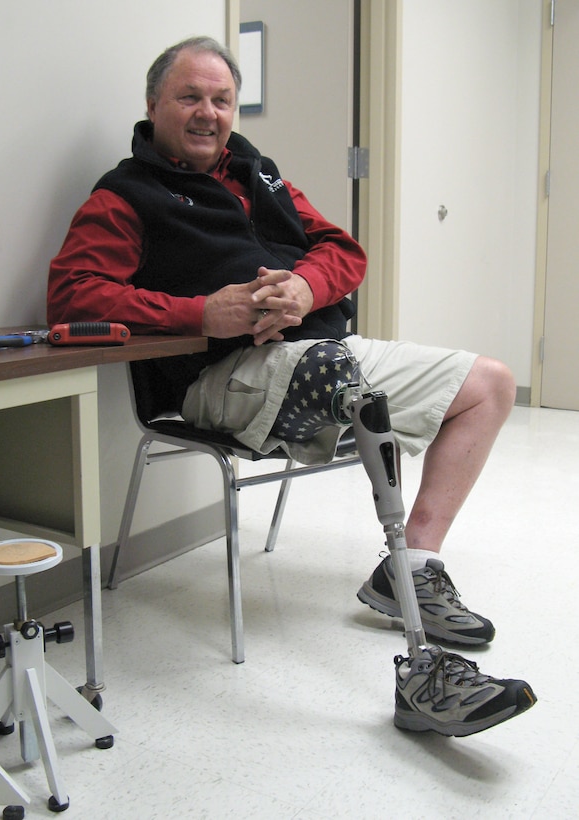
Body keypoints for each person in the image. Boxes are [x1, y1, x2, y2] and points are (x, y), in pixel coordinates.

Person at [47, 36, 536, 736]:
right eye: (189, 97)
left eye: (220, 99)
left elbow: (343, 250)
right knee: (336, 377)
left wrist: (307, 287)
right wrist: (198, 312)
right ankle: (421, 676)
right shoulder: (125, 195)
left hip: (314, 346)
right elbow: (71, 295)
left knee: (488, 383)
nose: (207, 113)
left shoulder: (259, 173)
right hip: (218, 376)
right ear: (153, 104)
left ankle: (410, 571)